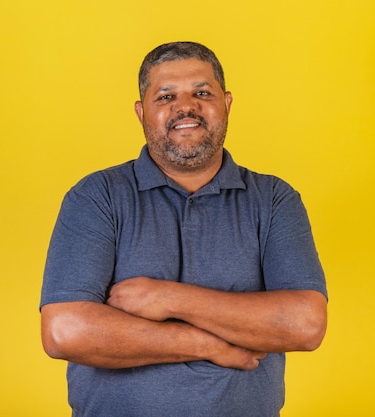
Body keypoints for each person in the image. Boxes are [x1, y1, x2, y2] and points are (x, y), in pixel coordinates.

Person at [40, 41, 328, 417]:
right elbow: (66, 331)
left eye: (202, 92)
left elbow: (304, 325)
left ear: (226, 104)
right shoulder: (97, 196)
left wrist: (168, 299)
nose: (185, 107)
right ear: (142, 113)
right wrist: (208, 344)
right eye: (166, 96)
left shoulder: (274, 199)